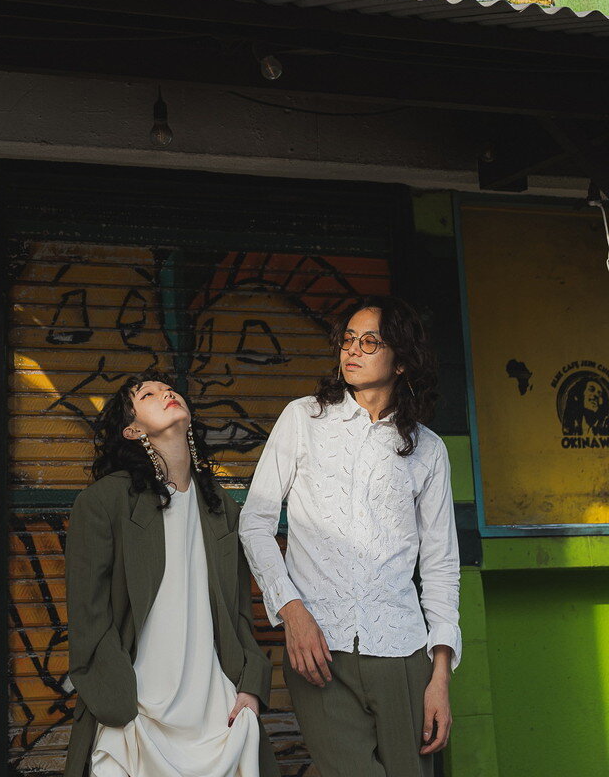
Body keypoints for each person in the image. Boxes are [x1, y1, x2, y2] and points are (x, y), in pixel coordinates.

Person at [239, 295, 461, 777]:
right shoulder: (303, 419)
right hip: (317, 652)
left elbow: (441, 566)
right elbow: (254, 522)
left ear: (401, 361)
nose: (352, 350)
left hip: (403, 654)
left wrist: (440, 676)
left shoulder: (428, 450)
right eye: (348, 340)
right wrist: (292, 613)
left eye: (370, 342)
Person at [63, 375, 279, 777]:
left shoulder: (221, 508)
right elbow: (88, 618)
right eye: (148, 394)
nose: (166, 393)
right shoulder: (103, 502)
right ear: (133, 430)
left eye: (168, 389)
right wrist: (118, 703)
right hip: (134, 716)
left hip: (217, 717)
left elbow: (238, 612)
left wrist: (250, 686)